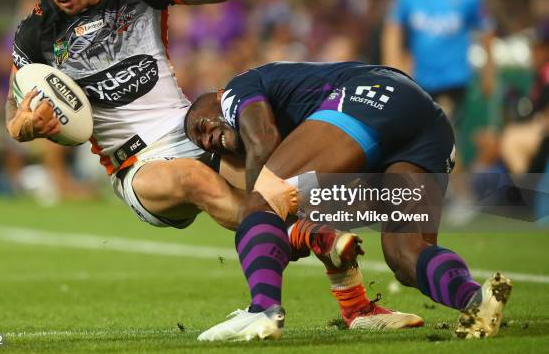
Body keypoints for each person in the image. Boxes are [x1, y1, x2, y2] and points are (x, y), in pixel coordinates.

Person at [5, 0, 363, 231]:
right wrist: (25, 126)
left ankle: (365, 277)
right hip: (136, 166)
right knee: (195, 178)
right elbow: (14, 110)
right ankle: (296, 236)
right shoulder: (36, 32)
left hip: (194, 133)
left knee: (293, 183)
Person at [184, 61, 512, 341]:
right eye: (200, 142)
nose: (206, 139)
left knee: (261, 203)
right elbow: (336, 205)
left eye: (200, 125)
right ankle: (474, 298)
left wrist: (270, 214)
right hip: (427, 128)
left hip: (372, 96)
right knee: (406, 256)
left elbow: (263, 139)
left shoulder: (235, 89)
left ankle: (262, 309)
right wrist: (302, 227)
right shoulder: (308, 138)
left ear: (216, 97)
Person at [382, 0, 495, 123]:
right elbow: (393, 28)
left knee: (442, 126)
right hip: (419, 80)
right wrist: (392, 65)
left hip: (454, 79)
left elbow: (486, 31)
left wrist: (488, 73)